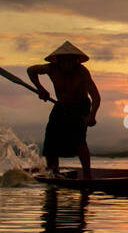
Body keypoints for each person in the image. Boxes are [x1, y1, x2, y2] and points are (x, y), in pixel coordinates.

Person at [27, 41, 101, 178]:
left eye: (70, 60)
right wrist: (41, 89)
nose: (67, 63)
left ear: (76, 61)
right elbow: (30, 71)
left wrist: (92, 116)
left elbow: (96, 97)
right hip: (61, 106)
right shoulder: (51, 68)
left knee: (79, 139)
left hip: (80, 106)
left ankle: (87, 176)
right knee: (51, 140)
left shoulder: (82, 73)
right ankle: (54, 173)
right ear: (58, 60)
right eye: (64, 60)